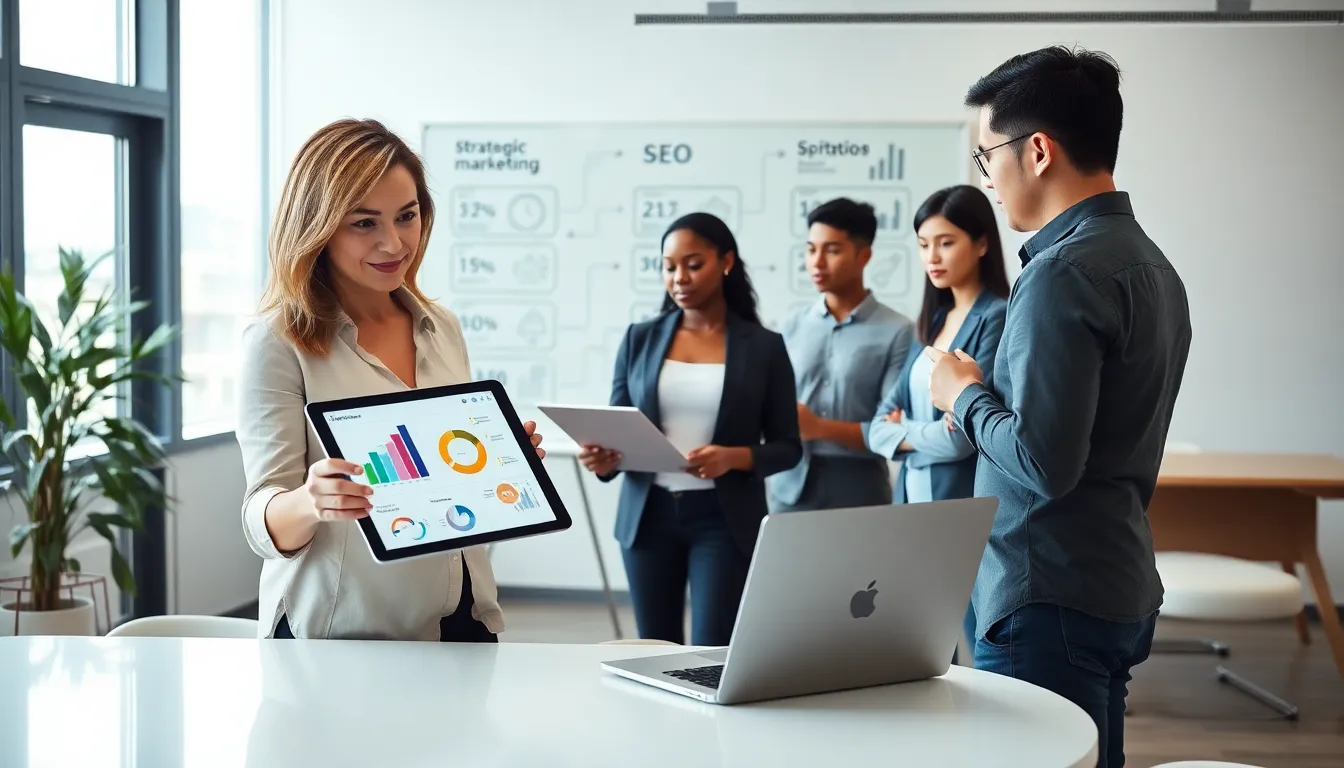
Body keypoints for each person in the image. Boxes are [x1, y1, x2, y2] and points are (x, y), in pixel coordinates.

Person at [927, 47, 1192, 767]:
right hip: (1113, 580)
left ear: (1036, 150)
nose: (986, 177)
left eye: (987, 157)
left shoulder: (1059, 274)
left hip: (1047, 593)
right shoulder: (1152, 265)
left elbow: (1045, 464)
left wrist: (964, 394)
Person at [236, 118, 546, 642]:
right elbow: (260, 520)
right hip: (345, 635)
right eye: (364, 223)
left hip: (463, 617)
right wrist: (313, 500)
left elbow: (442, 475)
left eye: (407, 216)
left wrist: (502, 464)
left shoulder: (440, 325)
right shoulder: (276, 342)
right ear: (319, 227)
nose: (394, 242)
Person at [578, 212, 802, 646]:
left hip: (723, 521)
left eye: (693, 264)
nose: (679, 277)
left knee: (710, 652)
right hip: (648, 517)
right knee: (652, 648)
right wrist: (602, 459)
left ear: (726, 262)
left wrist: (732, 457)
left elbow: (788, 447)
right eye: (669, 266)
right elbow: (619, 424)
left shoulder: (764, 347)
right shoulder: (639, 338)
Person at [866, 184, 1010, 664]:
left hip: (962, 509)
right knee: (925, 653)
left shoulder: (997, 317)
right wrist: (914, 433)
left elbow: (961, 439)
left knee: (979, 642)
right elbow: (875, 427)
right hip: (914, 507)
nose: (933, 256)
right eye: (924, 244)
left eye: (946, 242)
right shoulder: (931, 322)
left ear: (982, 242)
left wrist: (902, 433)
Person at [767, 198, 914, 513]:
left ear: (864, 256)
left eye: (831, 250)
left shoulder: (898, 331)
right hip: (788, 486)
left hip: (858, 488)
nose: (817, 262)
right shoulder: (791, 324)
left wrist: (818, 427)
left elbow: (891, 428)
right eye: (810, 250)